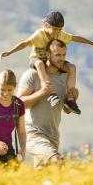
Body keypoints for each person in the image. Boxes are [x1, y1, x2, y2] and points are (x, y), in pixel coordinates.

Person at [0, 10, 93, 115]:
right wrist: (10, 52)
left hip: (52, 61)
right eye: (54, 29)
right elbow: (24, 43)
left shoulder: (60, 35)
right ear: (46, 25)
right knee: (39, 64)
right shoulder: (39, 35)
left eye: (59, 29)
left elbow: (75, 38)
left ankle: (70, 99)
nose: (57, 32)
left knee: (72, 67)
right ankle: (50, 92)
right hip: (37, 60)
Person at [16, 39, 78, 168]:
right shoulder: (32, 75)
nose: (61, 59)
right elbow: (17, 105)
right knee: (57, 161)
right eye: (57, 55)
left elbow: (65, 110)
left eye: (64, 55)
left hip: (53, 136)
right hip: (33, 133)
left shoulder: (66, 78)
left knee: (44, 178)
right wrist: (41, 92)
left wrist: (71, 99)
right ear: (48, 54)